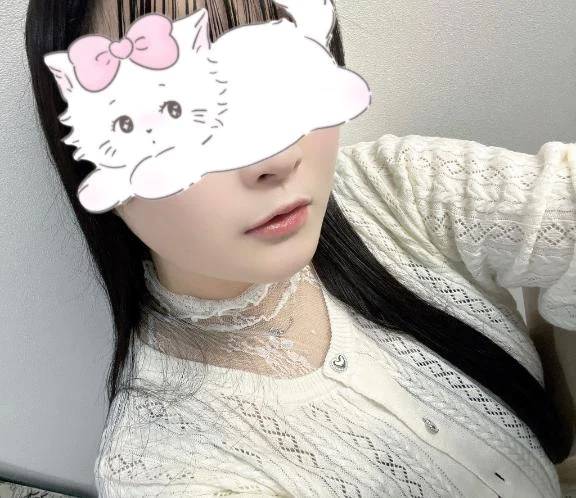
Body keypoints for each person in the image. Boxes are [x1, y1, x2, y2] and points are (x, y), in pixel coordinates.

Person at [25, 0, 576, 496]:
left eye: (280, 79)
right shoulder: (165, 466)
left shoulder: (396, 185)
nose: (278, 158)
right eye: (177, 111)